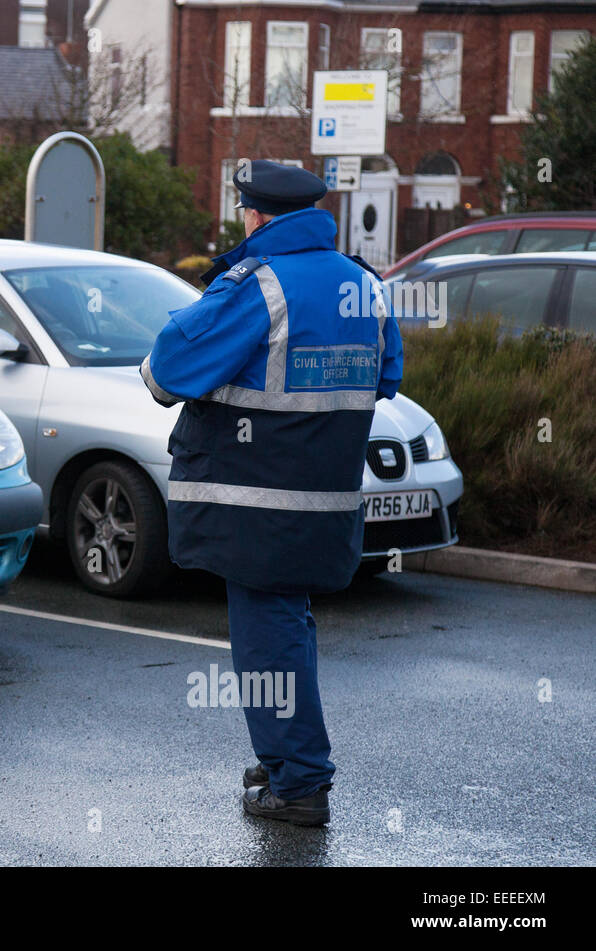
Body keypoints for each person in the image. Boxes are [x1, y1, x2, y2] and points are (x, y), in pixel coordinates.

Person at [140, 160, 402, 826]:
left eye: (243, 214)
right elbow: (385, 378)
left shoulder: (256, 285)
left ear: (255, 216)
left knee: (266, 638)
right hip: (326, 498)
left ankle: (299, 782)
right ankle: (285, 754)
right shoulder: (363, 286)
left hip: (254, 501)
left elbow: (165, 372)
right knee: (290, 625)